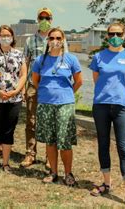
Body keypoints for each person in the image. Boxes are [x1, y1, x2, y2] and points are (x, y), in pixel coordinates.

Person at [88, 22, 125, 205]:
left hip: (122, 107)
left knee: (123, 148)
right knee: (103, 144)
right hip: (101, 105)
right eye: (111, 33)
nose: (115, 36)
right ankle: (106, 183)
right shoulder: (98, 57)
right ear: (107, 36)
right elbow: (97, 80)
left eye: (118, 33)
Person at [32, 27, 82, 186]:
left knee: (65, 141)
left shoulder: (71, 59)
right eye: (52, 38)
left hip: (65, 105)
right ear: (47, 40)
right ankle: (53, 172)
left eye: (58, 38)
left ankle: (68, 173)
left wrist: (66, 93)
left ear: (63, 40)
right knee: (50, 141)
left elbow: (78, 81)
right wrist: (47, 93)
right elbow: (35, 81)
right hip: (46, 104)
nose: (55, 41)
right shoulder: (40, 60)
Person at [21, 7, 68, 168]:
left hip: (51, 86)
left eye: (47, 18)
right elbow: (25, 64)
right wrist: (23, 86)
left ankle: (50, 156)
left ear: (51, 20)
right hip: (33, 86)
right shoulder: (29, 41)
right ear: (37, 19)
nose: (44, 20)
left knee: (49, 121)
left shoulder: (58, 39)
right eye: (41, 17)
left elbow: (65, 60)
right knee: (31, 120)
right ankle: (30, 153)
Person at [0, 25, 27, 173]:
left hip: (14, 99)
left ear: (13, 37)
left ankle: (6, 162)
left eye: (8, 35)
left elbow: (23, 75)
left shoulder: (19, 55)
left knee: (9, 130)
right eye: (2, 35)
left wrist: (16, 91)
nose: (5, 37)